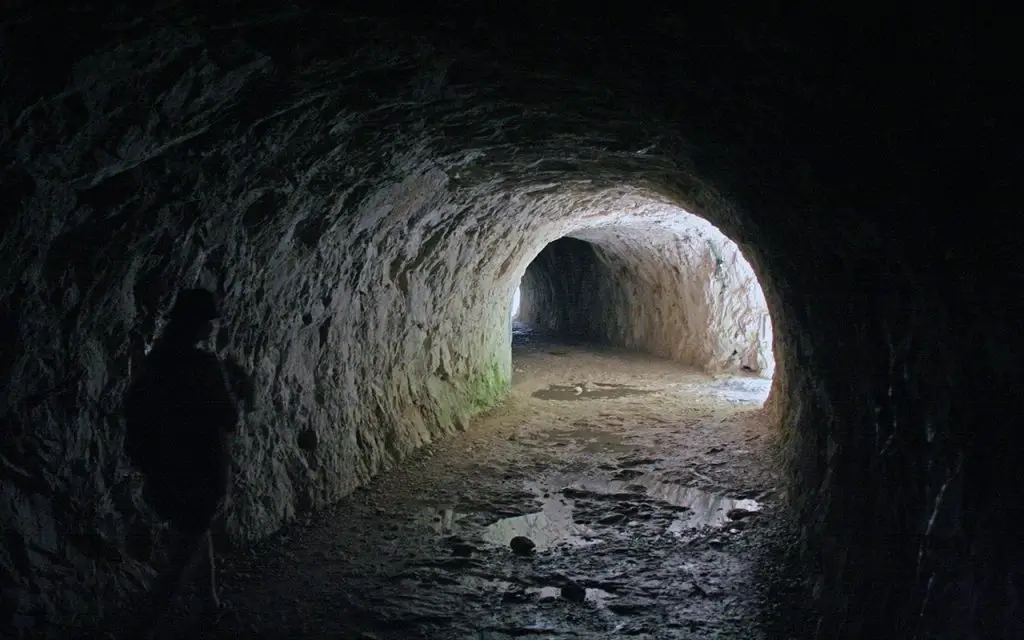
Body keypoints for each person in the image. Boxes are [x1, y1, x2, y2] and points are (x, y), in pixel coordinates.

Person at [122, 288, 254, 637]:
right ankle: (141, 628)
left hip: (165, 471)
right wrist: (236, 386)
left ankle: (209, 605)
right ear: (199, 324)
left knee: (194, 533)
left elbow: (138, 409)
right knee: (179, 562)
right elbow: (227, 417)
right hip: (202, 470)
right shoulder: (204, 366)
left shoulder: (156, 360)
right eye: (209, 323)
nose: (211, 329)